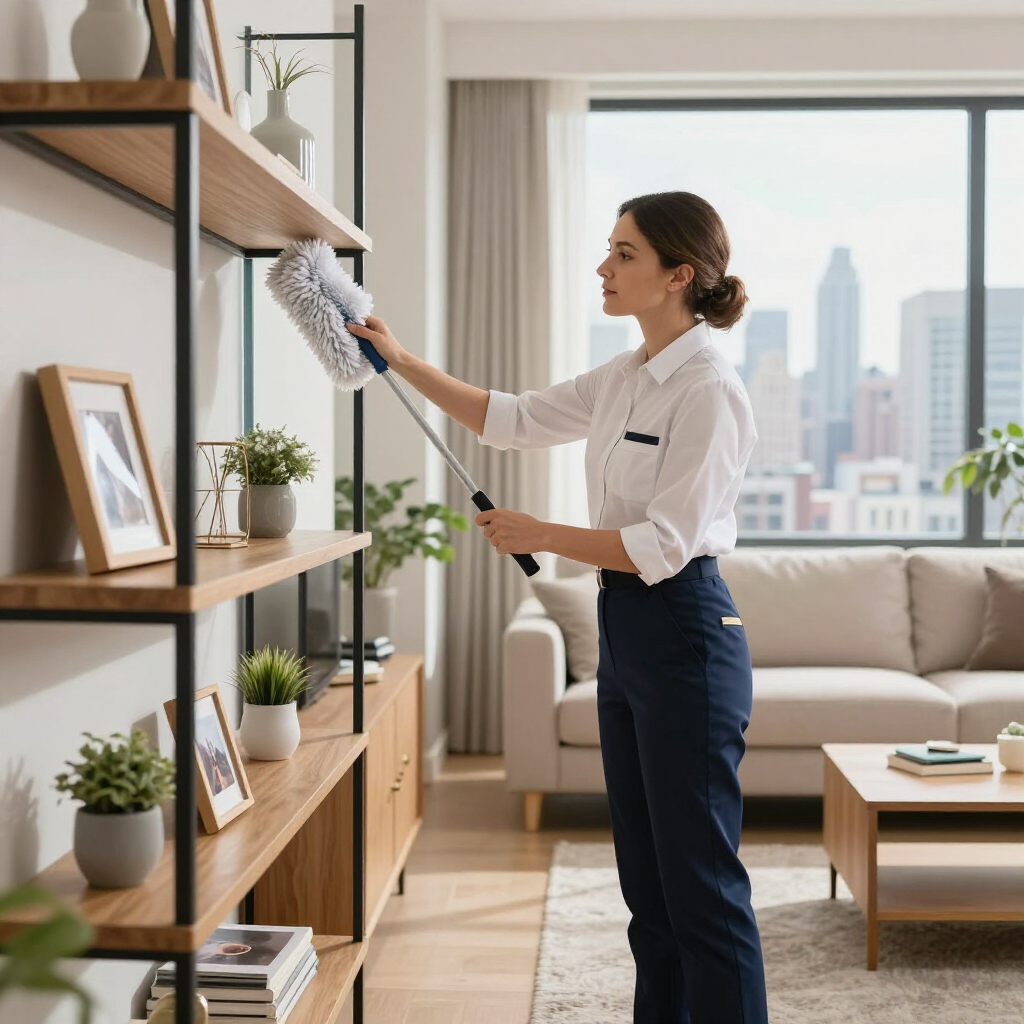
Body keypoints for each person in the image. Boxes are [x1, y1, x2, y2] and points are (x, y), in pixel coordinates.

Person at [348, 190, 769, 1024]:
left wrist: (541, 531)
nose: (604, 268)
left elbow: (663, 543)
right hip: (625, 629)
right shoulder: (624, 375)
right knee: (647, 886)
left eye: (625, 254)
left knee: (701, 887)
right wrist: (397, 358)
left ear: (679, 275)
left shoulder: (710, 390)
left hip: (685, 629)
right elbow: (510, 420)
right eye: (608, 248)